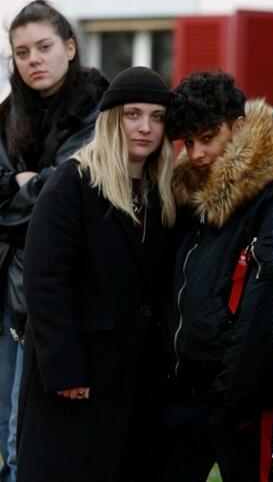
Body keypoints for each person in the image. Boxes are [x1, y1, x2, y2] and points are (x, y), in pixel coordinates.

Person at [16, 66, 175, 482]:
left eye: (157, 117)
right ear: (111, 120)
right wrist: (65, 369)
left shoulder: (161, 192)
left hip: (132, 377)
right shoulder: (73, 182)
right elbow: (45, 280)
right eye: (133, 115)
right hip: (77, 376)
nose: (145, 127)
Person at [161, 71, 273, 482]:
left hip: (241, 396)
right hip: (181, 389)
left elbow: (265, 299)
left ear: (237, 127)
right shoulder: (187, 192)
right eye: (188, 143)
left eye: (207, 137)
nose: (197, 153)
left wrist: (236, 393)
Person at [0, 0, 108, 481]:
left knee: (31, 437)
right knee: (6, 429)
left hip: (58, 293)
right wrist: (22, 185)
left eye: (43, 47)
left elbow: (61, 198)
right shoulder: (7, 116)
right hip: (7, 284)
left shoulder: (98, 113)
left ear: (69, 47)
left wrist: (27, 186)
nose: (33, 60)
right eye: (21, 52)